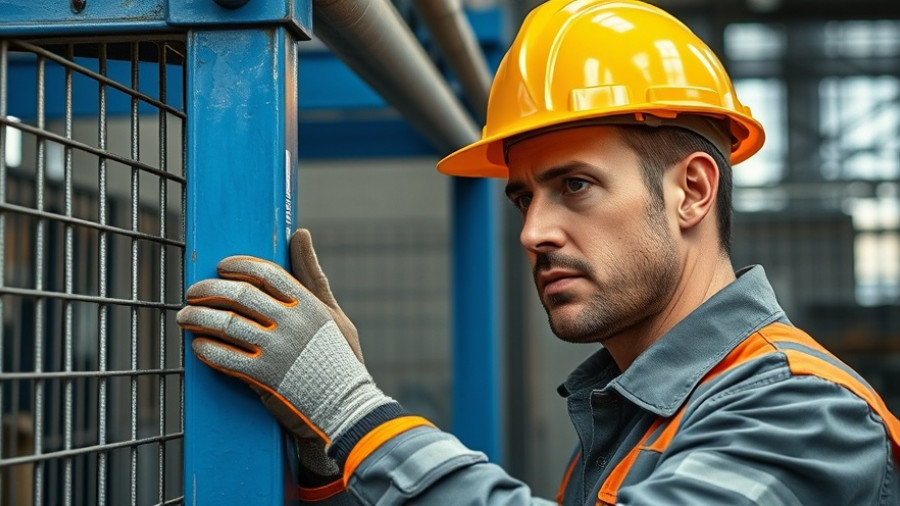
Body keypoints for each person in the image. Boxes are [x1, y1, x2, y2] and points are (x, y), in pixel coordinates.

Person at [177, 0, 900, 504]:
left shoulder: (804, 410)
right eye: (524, 198)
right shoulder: (636, 414)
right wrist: (323, 452)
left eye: (576, 185)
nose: (532, 233)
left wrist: (351, 412)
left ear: (693, 191)